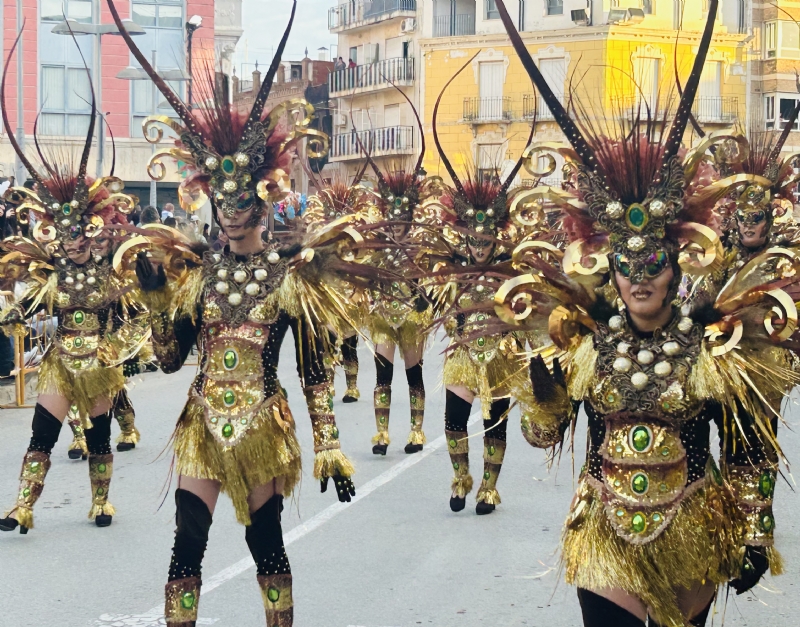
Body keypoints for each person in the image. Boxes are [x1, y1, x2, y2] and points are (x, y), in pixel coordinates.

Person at [494, 1, 789, 624]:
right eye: (626, 264)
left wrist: (757, 527)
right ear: (608, 266)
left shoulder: (712, 346)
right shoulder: (583, 344)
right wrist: (542, 396)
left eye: (654, 261)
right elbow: (542, 436)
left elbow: (748, 442)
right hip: (605, 537)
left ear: (678, 262)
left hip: (693, 534)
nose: (640, 277)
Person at [109, 2, 363, 624]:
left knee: (265, 545)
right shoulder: (195, 276)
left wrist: (329, 444)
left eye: (239, 200)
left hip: (261, 428)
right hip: (201, 423)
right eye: (219, 202)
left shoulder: (288, 280)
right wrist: (156, 300)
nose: (227, 213)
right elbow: (170, 361)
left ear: (261, 198)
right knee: (185, 546)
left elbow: (313, 370)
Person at [0, 29, 142, 532]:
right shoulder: (51, 271)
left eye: (80, 234)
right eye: (65, 236)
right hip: (62, 363)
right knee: (42, 434)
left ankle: (101, 501)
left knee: (99, 438)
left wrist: (118, 349)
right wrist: (17, 315)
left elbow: (138, 313)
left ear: (93, 230)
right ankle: (23, 507)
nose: (73, 242)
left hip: (99, 364)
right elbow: (30, 305)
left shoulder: (112, 271)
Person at [424, 57, 535, 514]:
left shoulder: (512, 269)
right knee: (453, 423)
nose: (479, 245)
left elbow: (531, 308)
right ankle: (459, 477)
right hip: (464, 356)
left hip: (503, 357)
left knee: (495, 425)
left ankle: (489, 486)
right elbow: (431, 299)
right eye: (473, 237)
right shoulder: (450, 269)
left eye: (486, 238)